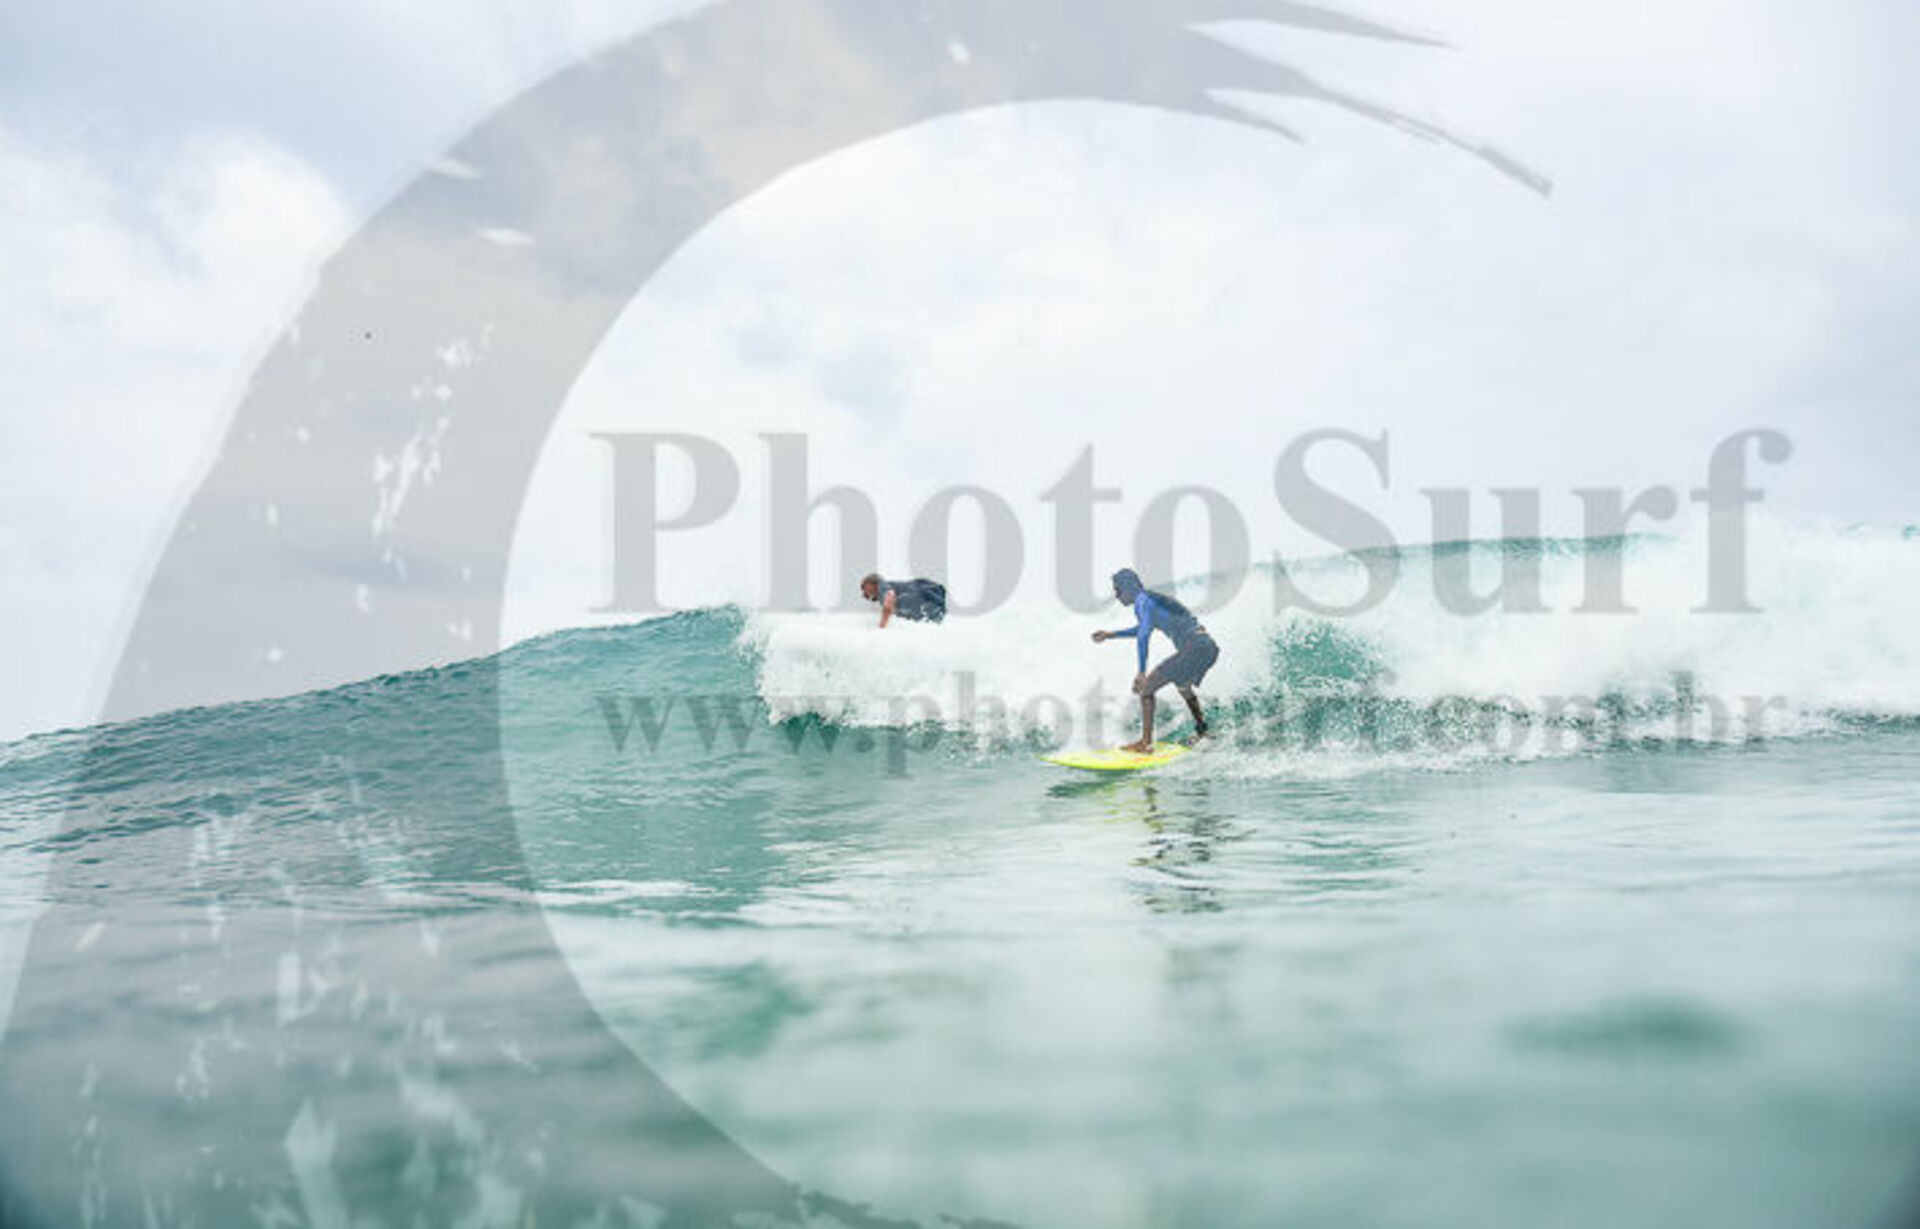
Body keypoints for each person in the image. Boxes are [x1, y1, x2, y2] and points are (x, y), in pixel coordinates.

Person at [1092, 568, 1218, 752]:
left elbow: (1144, 635)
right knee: (1183, 685)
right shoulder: (1150, 600)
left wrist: (1142, 672)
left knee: (1147, 689)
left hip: (1193, 648)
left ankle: (1146, 743)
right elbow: (1141, 629)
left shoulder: (1142, 602)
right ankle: (1203, 731)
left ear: (1129, 587)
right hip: (1208, 648)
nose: (1117, 596)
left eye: (1118, 590)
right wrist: (1110, 634)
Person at [860, 573, 947, 627]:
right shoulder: (886, 592)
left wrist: (882, 627)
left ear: (871, 583)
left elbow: (889, 597)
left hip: (924, 597)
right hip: (935, 607)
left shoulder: (882, 586)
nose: (864, 591)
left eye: (864, 587)